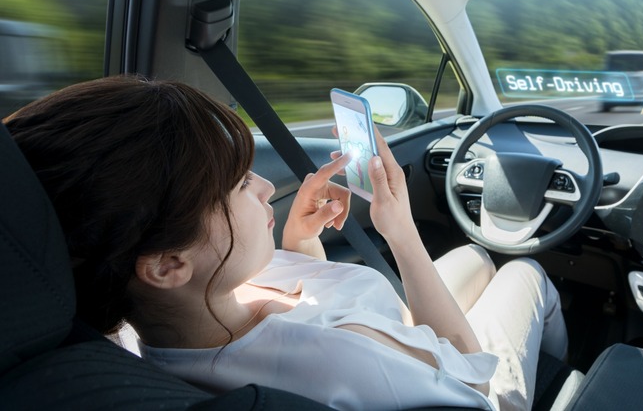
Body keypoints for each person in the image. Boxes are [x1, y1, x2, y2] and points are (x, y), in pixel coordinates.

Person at [4, 74, 568, 410]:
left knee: (474, 257)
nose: (266, 187)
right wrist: (400, 232)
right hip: (473, 389)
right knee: (524, 273)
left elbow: (298, 321)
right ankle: (560, 380)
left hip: (398, 339)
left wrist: (301, 245)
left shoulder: (145, 327)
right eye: (237, 186)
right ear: (168, 264)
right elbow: (470, 373)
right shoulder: (344, 360)